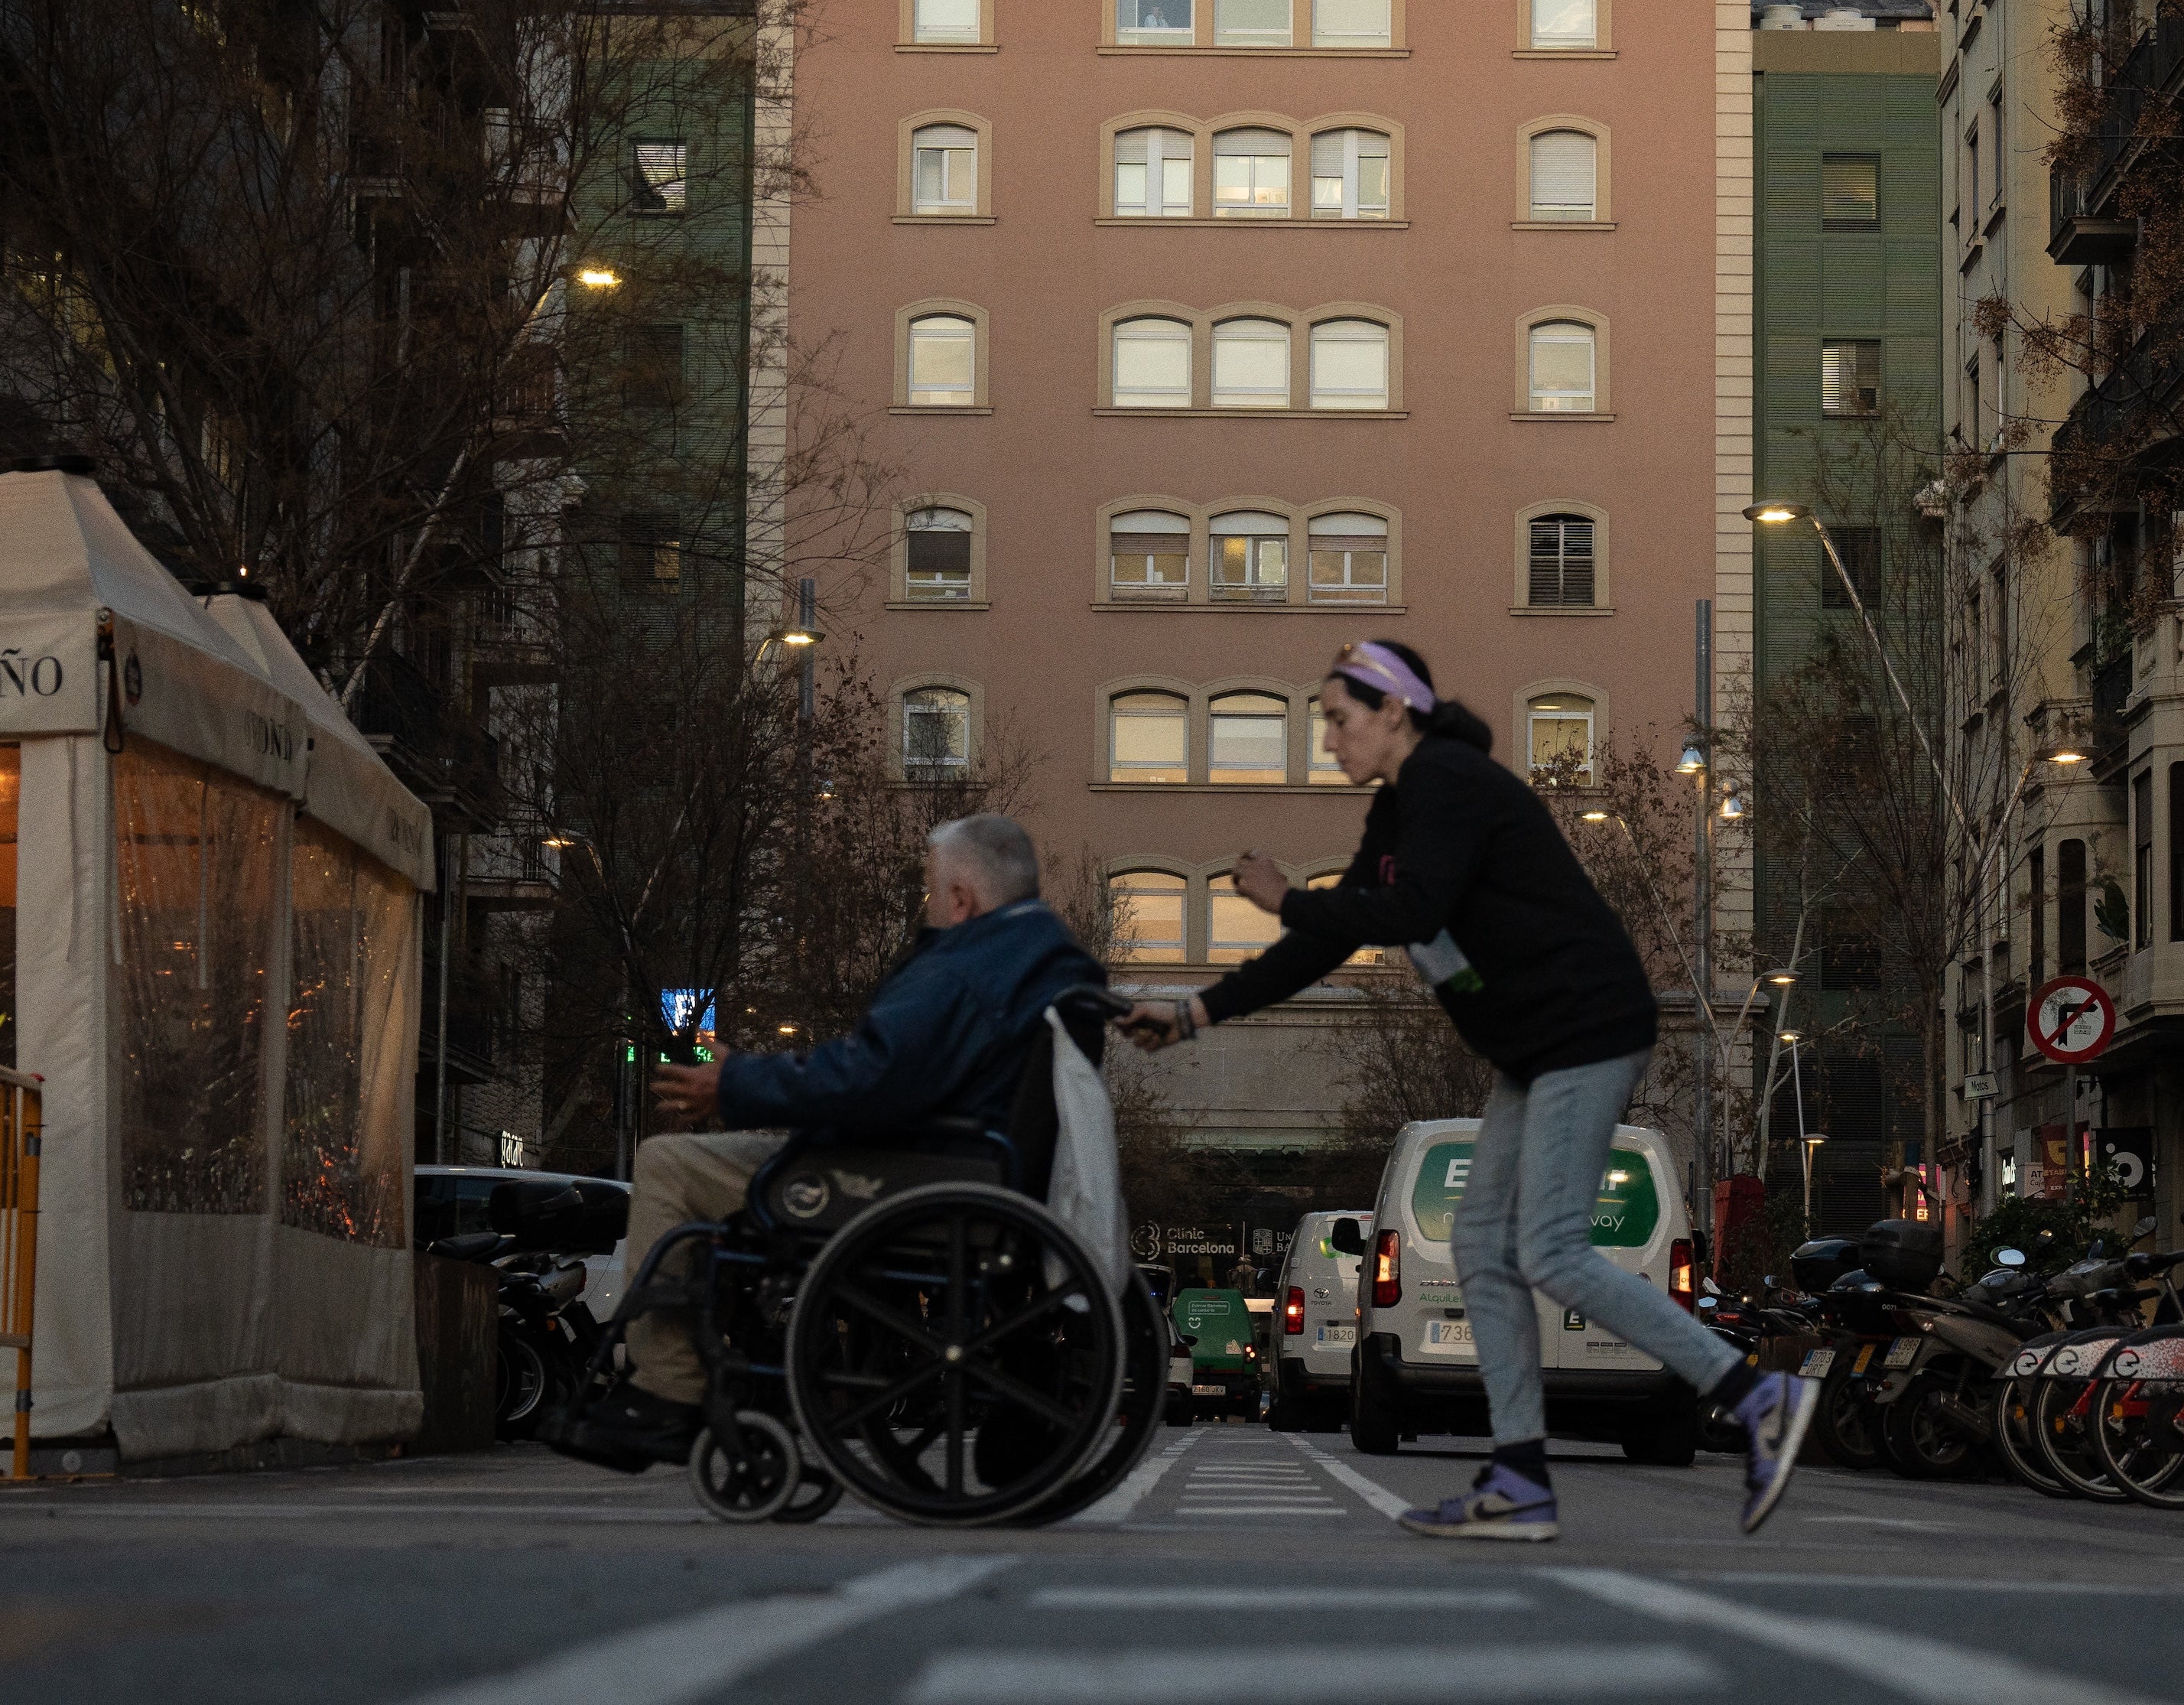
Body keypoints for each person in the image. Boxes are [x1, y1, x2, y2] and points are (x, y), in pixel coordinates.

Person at [1126, 639, 1816, 1542]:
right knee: (1485, 1246)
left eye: (1338, 718)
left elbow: (1410, 913)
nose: (1327, 739)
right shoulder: (1398, 809)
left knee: (1553, 1251)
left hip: (1586, 1026)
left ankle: (1753, 1392)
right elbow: (1328, 943)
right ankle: (1521, 1478)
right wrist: (1194, 1013)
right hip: (1536, 1046)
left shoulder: (1448, 778)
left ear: (1394, 711)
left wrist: (1290, 896)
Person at [581, 812, 1101, 1463]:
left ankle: (667, 1390)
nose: (927, 904)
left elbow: (874, 1079)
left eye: (930, 890)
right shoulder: (1051, 958)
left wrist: (736, 1084)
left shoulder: (963, 968)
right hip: (968, 1167)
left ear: (963, 899)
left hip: (904, 1173)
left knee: (667, 1165)